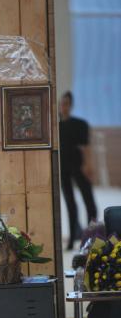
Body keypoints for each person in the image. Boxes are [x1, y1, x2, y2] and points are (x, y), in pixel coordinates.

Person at [59, 91, 98, 251]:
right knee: (70, 203)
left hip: (79, 165)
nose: (64, 107)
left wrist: (88, 165)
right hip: (63, 167)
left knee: (89, 201)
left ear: (71, 105)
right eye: (62, 103)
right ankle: (71, 240)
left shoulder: (80, 124)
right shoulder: (56, 125)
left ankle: (93, 236)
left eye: (67, 103)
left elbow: (86, 147)